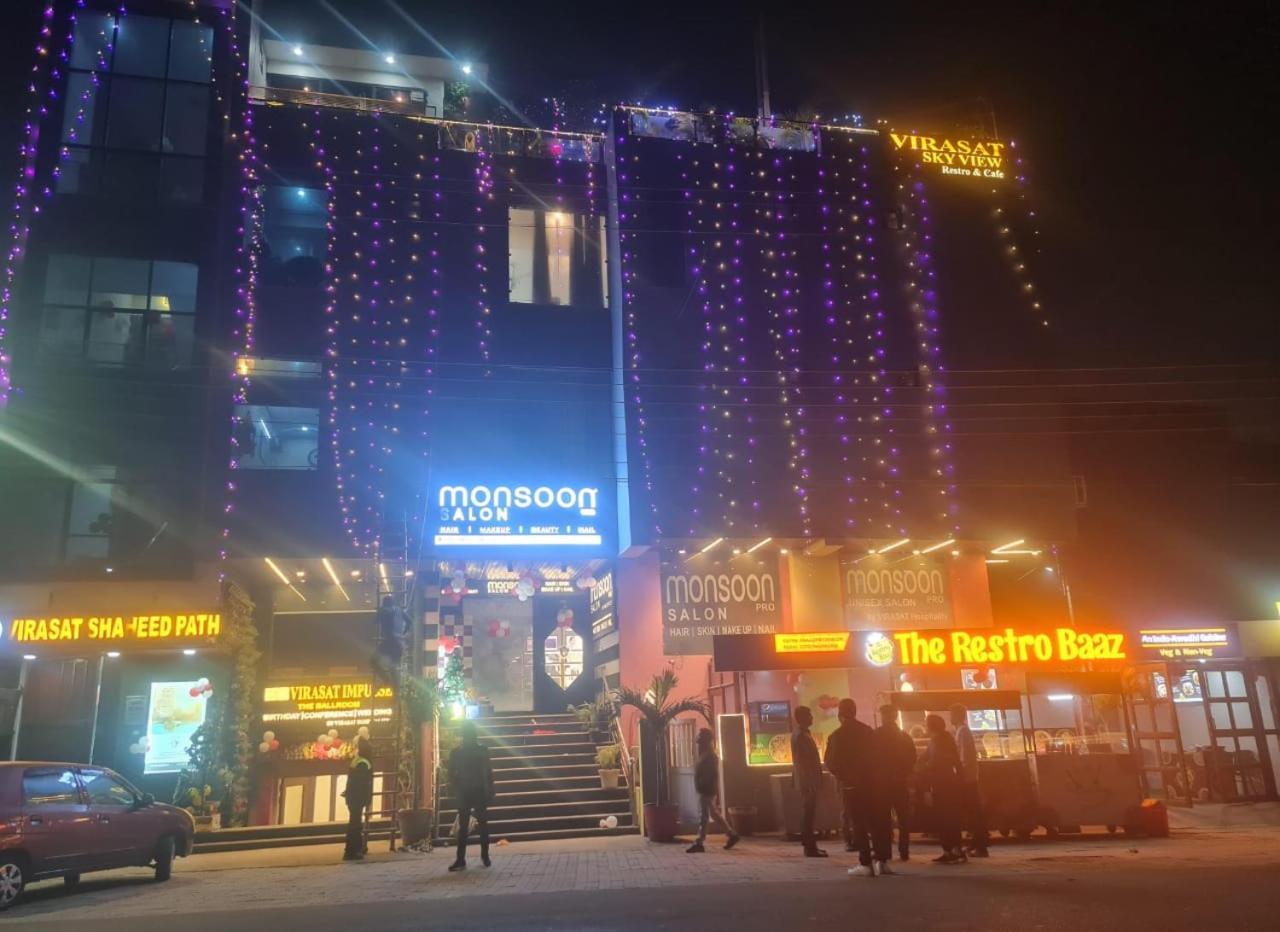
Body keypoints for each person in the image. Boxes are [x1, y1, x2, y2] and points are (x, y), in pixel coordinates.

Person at [825, 698, 890, 877]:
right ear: (854, 712)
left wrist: (845, 777)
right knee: (876, 823)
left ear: (840, 714)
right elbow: (880, 757)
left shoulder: (837, 736)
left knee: (858, 824)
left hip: (851, 787)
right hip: (871, 784)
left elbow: (830, 762)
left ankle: (865, 863)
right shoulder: (868, 732)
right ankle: (881, 861)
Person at [448, 721, 495, 871]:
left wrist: (453, 788)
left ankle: (461, 859)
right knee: (482, 824)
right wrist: (490, 788)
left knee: (464, 827)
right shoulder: (482, 750)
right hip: (478, 790)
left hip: (465, 791)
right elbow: (488, 772)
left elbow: (451, 774)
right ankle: (485, 856)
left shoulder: (456, 752)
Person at [686, 727, 740, 853]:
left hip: (706, 789)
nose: (699, 743)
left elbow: (710, 775)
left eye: (701, 740)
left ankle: (699, 841)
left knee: (704, 816)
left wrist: (703, 786)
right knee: (713, 814)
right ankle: (731, 834)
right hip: (706, 788)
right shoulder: (706, 755)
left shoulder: (709, 756)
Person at [921, 714, 966, 863]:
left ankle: (950, 850)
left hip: (942, 784)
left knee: (945, 818)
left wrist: (921, 767)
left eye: (926, 724)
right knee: (951, 818)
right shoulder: (945, 738)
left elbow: (934, 762)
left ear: (931, 726)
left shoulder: (938, 741)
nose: (925, 726)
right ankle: (955, 849)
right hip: (950, 783)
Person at [877, 704, 917, 861]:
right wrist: (905, 773)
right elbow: (912, 757)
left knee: (883, 818)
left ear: (884, 716)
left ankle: (885, 851)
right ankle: (904, 850)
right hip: (900, 782)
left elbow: (870, 758)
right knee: (903, 818)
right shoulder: (904, 736)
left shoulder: (877, 735)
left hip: (883, 783)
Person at [950, 703, 990, 857]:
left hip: (967, 779)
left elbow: (964, 757)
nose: (950, 717)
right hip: (969, 777)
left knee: (973, 813)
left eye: (952, 714)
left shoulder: (962, 732)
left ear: (957, 715)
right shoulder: (962, 731)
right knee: (972, 813)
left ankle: (980, 846)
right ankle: (976, 844)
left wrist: (959, 775)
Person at [790, 705, 827, 857]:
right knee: (808, 813)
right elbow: (803, 761)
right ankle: (809, 846)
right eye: (809, 715)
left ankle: (809, 844)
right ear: (803, 718)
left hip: (808, 779)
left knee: (809, 812)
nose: (812, 718)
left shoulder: (802, 734)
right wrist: (809, 781)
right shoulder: (800, 736)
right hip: (808, 780)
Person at [342, 737, 373, 861]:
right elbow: (361, 783)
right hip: (357, 798)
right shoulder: (364, 763)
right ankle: (353, 851)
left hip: (352, 797)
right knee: (356, 825)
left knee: (354, 824)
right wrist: (366, 798)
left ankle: (353, 849)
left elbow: (353, 781)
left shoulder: (357, 761)